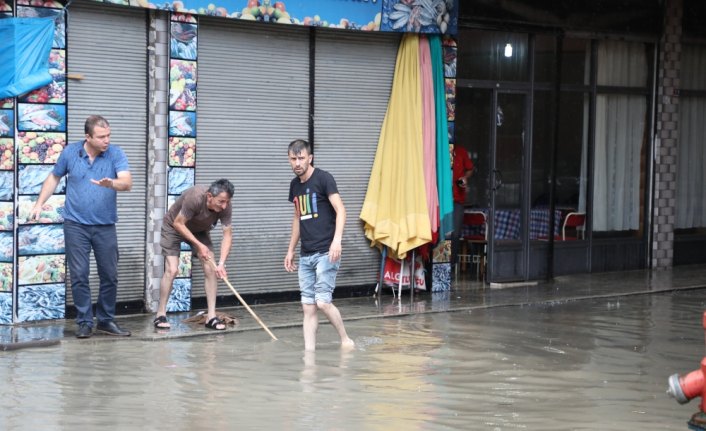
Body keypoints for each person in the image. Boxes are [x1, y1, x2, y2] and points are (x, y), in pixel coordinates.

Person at [31, 115, 133, 338]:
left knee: (110, 275)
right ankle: (85, 321)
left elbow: (127, 182)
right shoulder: (70, 152)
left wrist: (112, 183)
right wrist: (39, 204)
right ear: (88, 137)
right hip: (75, 225)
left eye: (108, 135)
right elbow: (54, 178)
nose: (107, 140)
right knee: (79, 274)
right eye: (101, 137)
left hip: (105, 225)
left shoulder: (115, 153)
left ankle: (105, 321)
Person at [284, 139, 354, 351]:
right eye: (293, 159)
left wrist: (337, 240)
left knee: (322, 302)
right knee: (308, 307)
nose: (297, 163)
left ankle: (345, 339)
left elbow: (341, 210)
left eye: (301, 158)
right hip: (306, 254)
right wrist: (290, 251)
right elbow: (298, 218)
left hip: (327, 251)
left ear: (310, 158)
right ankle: (309, 355)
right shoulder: (294, 185)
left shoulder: (324, 178)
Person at [154, 178, 234, 331]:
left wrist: (221, 264)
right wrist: (199, 246)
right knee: (172, 269)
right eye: (221, 202)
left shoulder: (226, 206)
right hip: (174, 226)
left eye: (227, 202)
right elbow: (178, 223)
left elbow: (228, 235)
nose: (224, 206)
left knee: (211, 267)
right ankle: (160, 314)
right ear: (210, 196)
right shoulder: (195, 197)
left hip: (199, 231)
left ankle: (211, 316)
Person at [450, 143, 474, 272]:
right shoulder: (439, 149)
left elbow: (470, 168)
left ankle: (451, 265)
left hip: (457, 199)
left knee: (455, 233)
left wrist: (465, 177)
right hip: (441, 200)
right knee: (440, 233)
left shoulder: (461, 151)